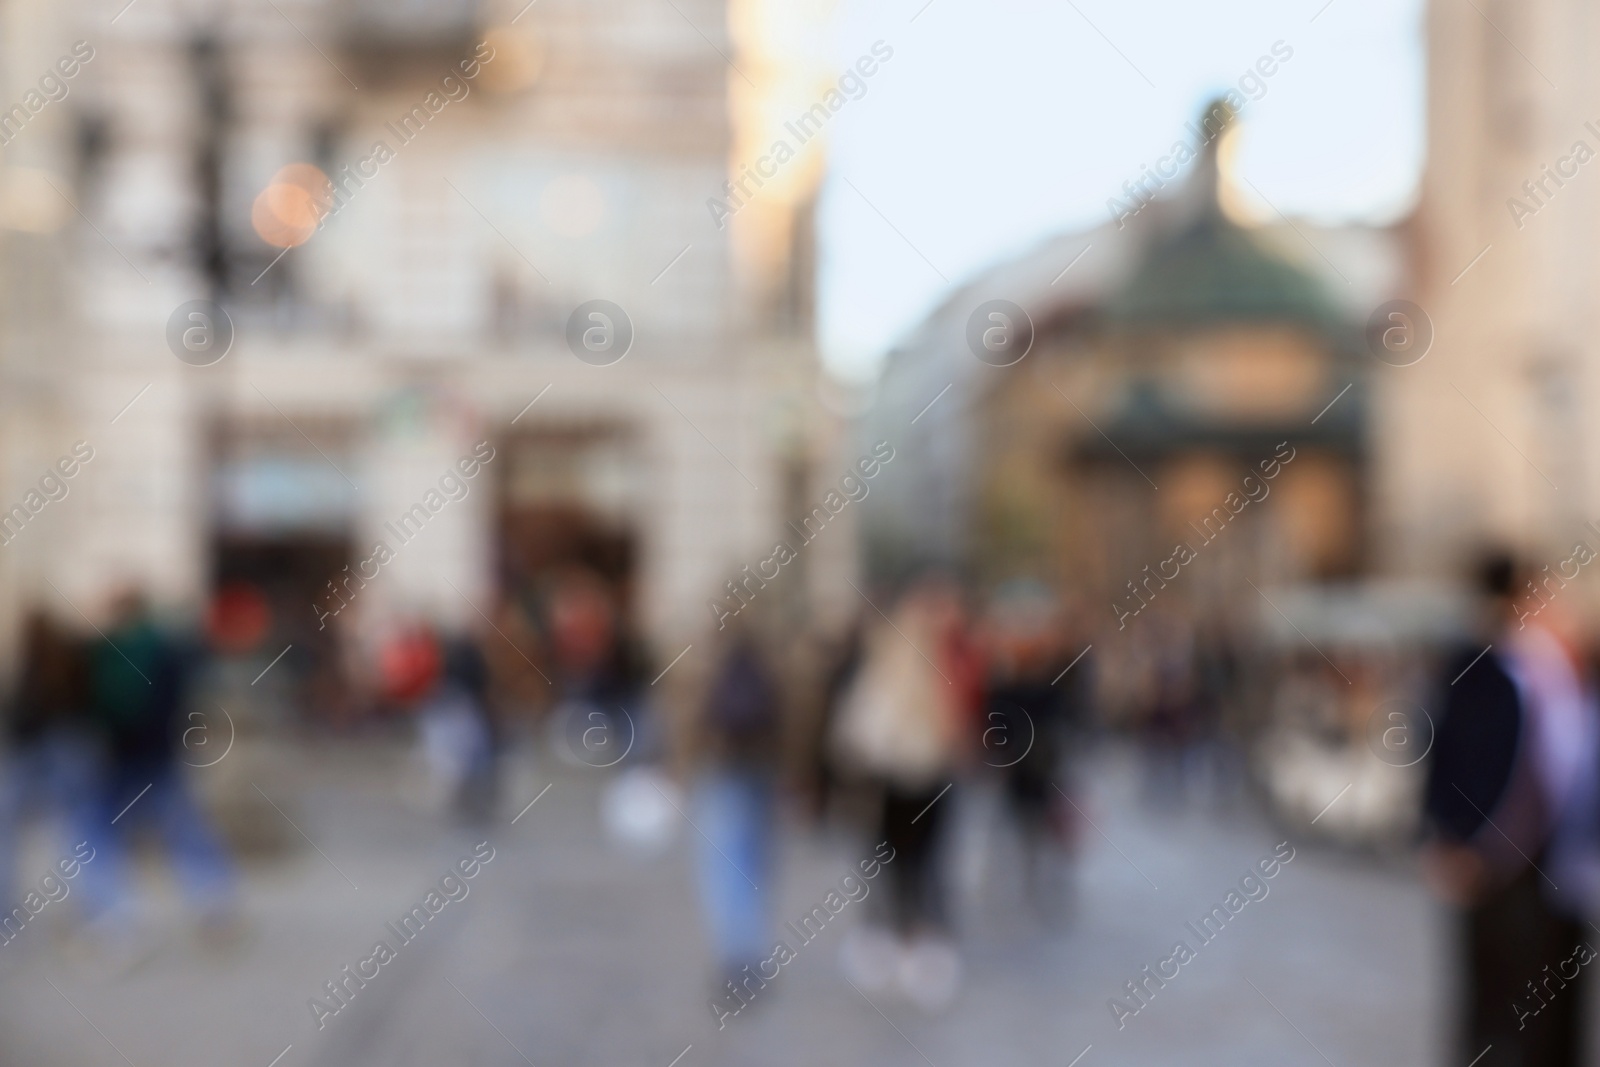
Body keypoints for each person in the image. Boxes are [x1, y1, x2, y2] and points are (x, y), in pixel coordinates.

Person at [1423, 551, 1600, 1067]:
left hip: (1561, 866)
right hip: (1491, 860)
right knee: (1494, 1007)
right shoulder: (1480, 666)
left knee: (1556, 1014)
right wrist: (1451, 838)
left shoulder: (1574, 671)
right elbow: (1448, 753)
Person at [832, 575, 975, 1012]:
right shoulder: (923, 659)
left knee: (900, 864)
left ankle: (904, 937)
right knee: (918, 864)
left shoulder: (903, 656)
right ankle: (917, 938)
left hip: (904, 779)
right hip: (916, 779)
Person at [76, 588, 236, 949]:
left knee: (98, 833)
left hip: (119, 757)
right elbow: (183, 698)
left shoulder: (108, 650)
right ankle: (214, 903)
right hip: (159, 754)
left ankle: (111, 917)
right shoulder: (167, 647)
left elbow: (96, 704)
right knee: (183, 829)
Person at [693, 622, 782, 994]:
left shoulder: (699, 662)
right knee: (753, 865)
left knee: (722, 866)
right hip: (762, 768)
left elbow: (685, 719)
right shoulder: (776, 660)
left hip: (719, 769)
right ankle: (746, 951)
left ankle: (734, 955)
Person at [0, 611, 95, 906]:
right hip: (66, 747)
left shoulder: (41, 665)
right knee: (78, 828)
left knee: (76, 827)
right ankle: (87, 904)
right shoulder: (71, 659)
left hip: (51, 748)